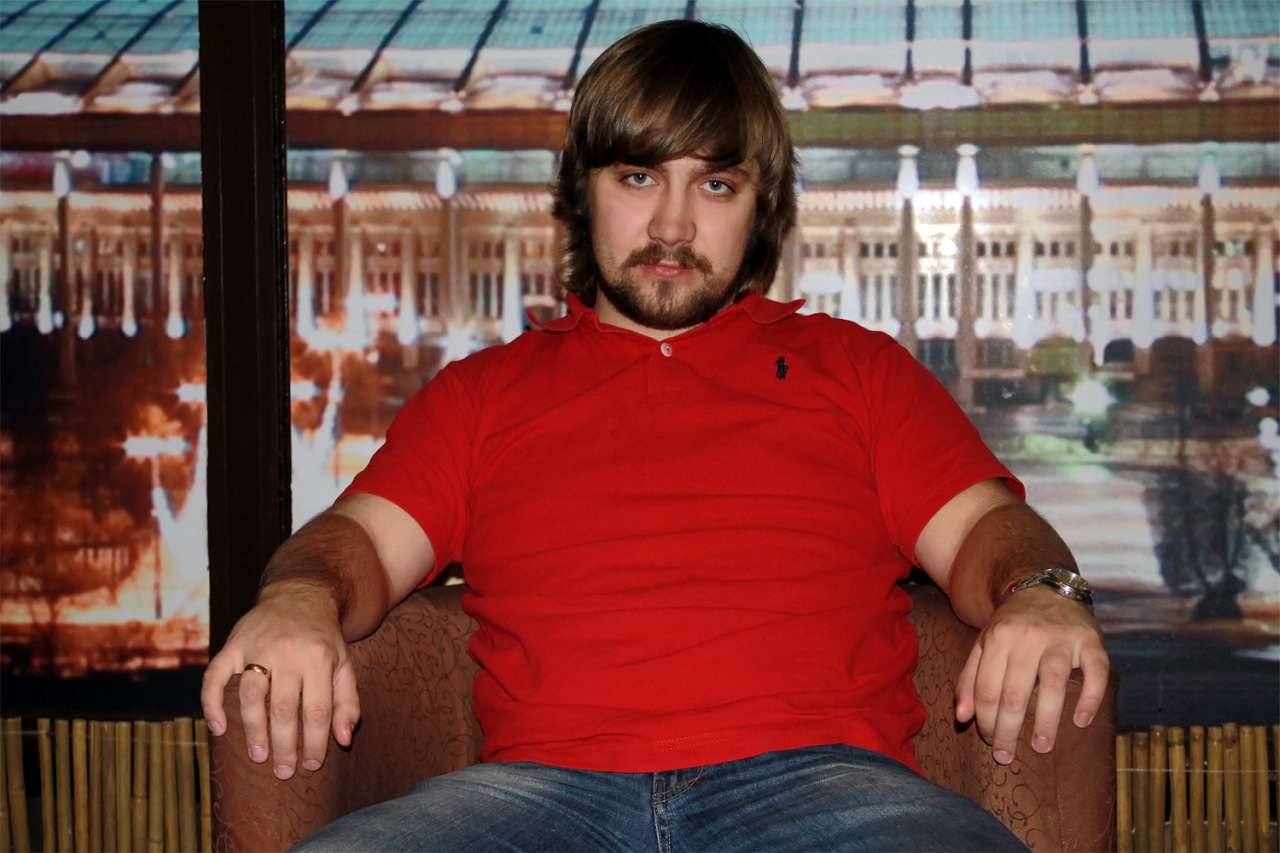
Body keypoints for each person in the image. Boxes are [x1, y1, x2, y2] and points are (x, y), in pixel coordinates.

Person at [202, 19, 1109, 851]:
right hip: (538, 799)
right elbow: (358, 542)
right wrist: (299, 596)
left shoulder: (858, 371)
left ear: (759, 206)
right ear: (584, 190)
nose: (673, 226)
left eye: (715, 184)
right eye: (638, 177)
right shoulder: (482, 395)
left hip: (825, 790)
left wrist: (1040, 590)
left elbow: (989, 530)